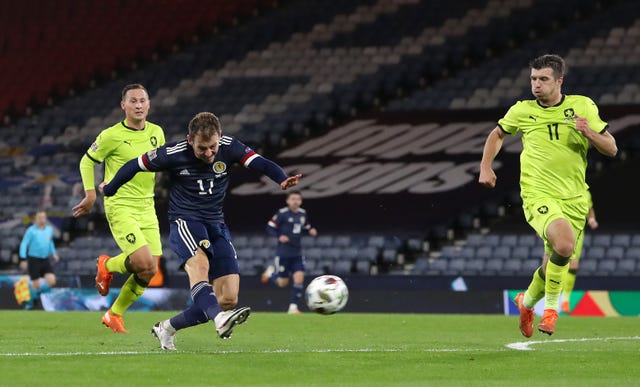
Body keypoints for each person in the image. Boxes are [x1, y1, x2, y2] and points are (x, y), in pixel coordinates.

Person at [101, 112, 301, 350]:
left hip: (216, 224)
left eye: (213, 147)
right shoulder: (172, 154)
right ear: (189, 140)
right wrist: (110, 188)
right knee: (200, 267)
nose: (208, 153)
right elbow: (135, 164)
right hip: (185, 221)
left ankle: (167, 328)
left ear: (220, 138)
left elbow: (260, 162)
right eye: (202, 148)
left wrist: (281, 178)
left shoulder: (230, 147)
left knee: (227, 299)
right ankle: (220, 320)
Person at [479, 54, 617, 337]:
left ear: (559, 81)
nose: (536, 85)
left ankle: (527, 303)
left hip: (575, 198)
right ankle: (550, 312)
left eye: (543, 79)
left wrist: (589, 132)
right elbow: (497, 134)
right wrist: (485, 166)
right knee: (565, 245)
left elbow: (611, 148)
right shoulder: (522, 111)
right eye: (533, 79)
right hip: (537, 193)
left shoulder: (582, 106)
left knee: (553, 257)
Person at [72, 83, 166, 333]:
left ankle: (113, 313)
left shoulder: (157, 132)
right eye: (133, 101)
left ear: (149, 104)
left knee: (150, 270)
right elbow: (86, 161)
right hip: (120, 205)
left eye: (142, 100)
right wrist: (91, 194)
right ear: (123, 105)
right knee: (142, 260)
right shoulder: (111, 135)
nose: (138, 105)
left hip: (148, 206)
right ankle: (109, 265)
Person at [261, 190, 318, 314]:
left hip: (297, 252)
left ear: (301, 201)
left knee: (299, 278)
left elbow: (305, 225)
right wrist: (279, 235)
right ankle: (271, 274)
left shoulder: (303, 213)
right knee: (282, 283)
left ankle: (293, 307)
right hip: (283, 253)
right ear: (287, 201)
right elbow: (270, 227)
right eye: (293, 199)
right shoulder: (282, 213)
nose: (295, 201)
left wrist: (311, 230)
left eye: (297, 199)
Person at [560, 191, 598, 314]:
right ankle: (552, 297)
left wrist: (591, 219)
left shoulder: (586, 192)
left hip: (578, 231)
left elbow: (590, 209)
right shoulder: (562, 187)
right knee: (557, 262)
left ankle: (565, 300)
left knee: (573, 264)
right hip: (560, 229)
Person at [18, 210, 60, 309]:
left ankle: (35, 296)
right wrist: (23, 259)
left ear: (45, 219)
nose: (41, 219)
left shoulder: (49, 229)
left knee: (52, 281)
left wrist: (54, 253)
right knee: (36, 285)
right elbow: (24, 244)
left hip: (45, 259)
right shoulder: (31, 230)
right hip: (34, 259)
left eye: (43, 217)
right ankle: (31, 302)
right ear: (36, 219)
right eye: (39, 217)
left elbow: (50, 243)